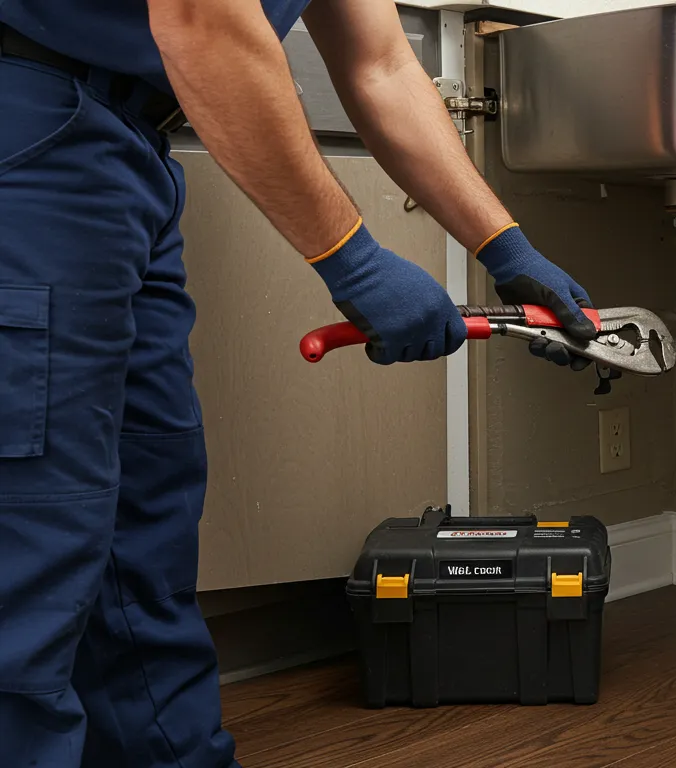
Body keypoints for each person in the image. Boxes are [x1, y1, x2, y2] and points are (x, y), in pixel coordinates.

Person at [0, 0, 595, 765]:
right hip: (29, 135)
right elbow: (199, 18)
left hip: (127, 151)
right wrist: (354, 261)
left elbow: (379, 63)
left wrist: (506, 248)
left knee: (140, 540)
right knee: (29, 561)